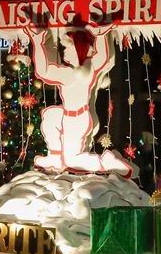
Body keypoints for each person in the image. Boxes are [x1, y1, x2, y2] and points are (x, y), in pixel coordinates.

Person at [25, 23, 135, 178]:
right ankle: (55, 156)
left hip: (77, 120)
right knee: (51, 115)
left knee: (73, 161)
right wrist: (101, 35)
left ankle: (106, 162)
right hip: (71, 116)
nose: (64, 50)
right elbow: (102, 58)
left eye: (68, 47)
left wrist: (37, 41)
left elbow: (43, 71)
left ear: (78, 50)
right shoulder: (78, 70)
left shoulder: (75, 73)